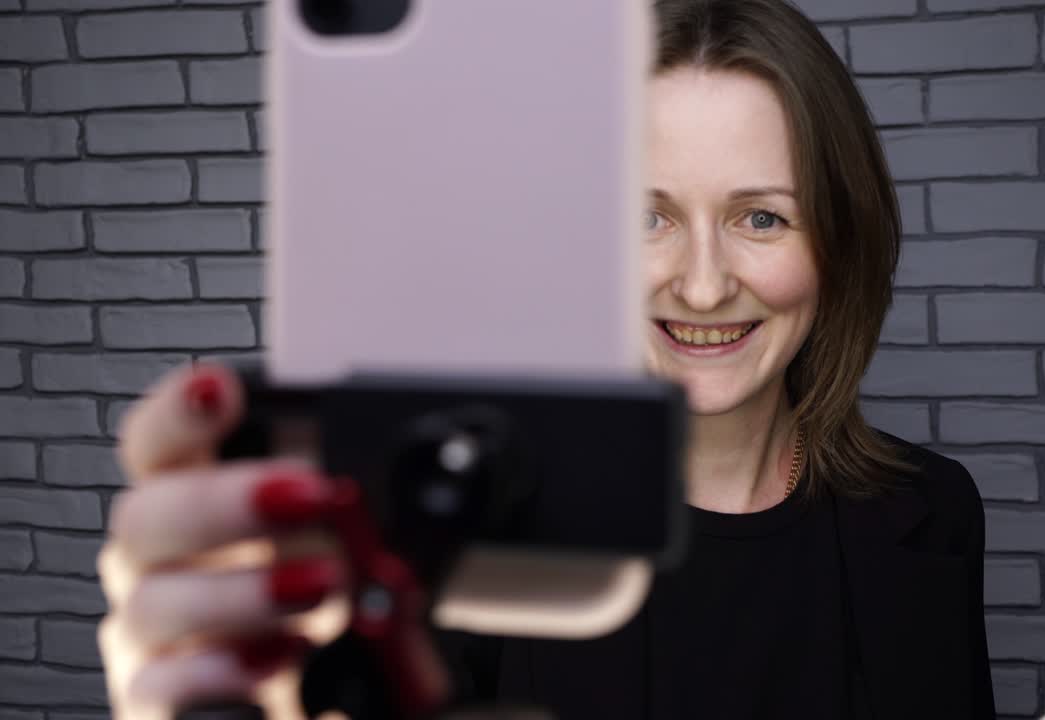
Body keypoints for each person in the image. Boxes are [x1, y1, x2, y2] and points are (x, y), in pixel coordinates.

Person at [97, 0, 996, 718]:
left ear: (842, 239)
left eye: (762, 217)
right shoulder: (460, 546)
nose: (705, 286)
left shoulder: (930, 512)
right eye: (648, 217)